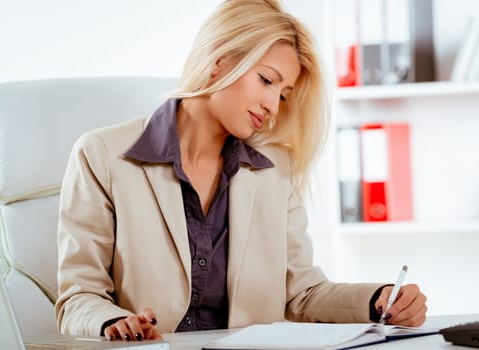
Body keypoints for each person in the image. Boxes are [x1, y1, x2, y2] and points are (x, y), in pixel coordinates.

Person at [55, 0, 427, 342]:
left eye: (283, 94)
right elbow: (79, 296)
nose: (272, 105)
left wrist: (379, 299)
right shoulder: (103, 155)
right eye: (266, 80)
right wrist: (113, 323)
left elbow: (301, 294)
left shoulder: (275, 171)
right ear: (220, 59)